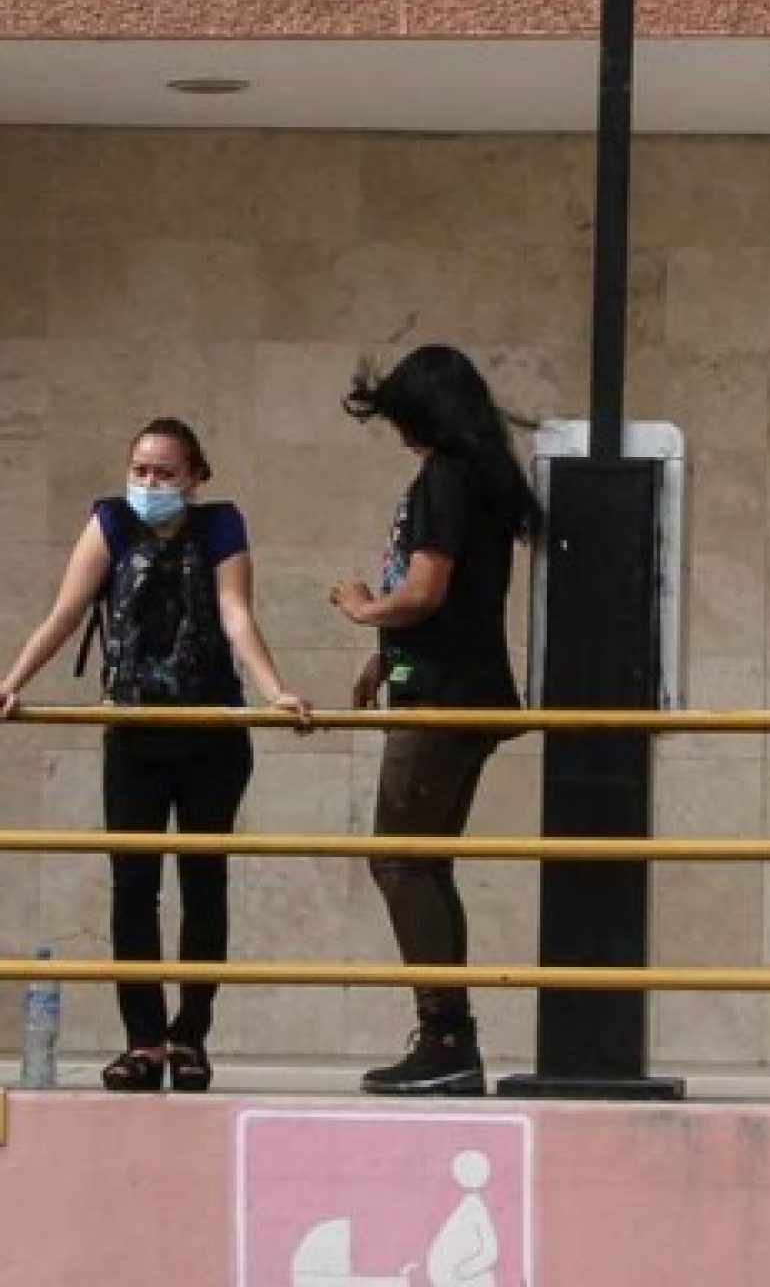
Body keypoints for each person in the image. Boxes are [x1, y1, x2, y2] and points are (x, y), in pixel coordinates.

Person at [0, 417, 310, 1093]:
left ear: (196, 477)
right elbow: (65, 611)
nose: (149, 483)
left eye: (165, 473)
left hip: (210, 735)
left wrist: (275, 690)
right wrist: (13, 681)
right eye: (139, 470)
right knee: (134, 887)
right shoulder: (111, 522)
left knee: (204, 883)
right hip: (134, 732)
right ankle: (142, 1040)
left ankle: (190, 1035)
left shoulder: (220, 525)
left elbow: (235, 612)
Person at [331, 345, 540, 1097]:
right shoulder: (477, 477)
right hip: (456, 686)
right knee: (423, 862)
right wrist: (385, 656)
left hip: (443, 697)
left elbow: (425, 591)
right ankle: (448, 1034)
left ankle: (446, 1034)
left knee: (399, 860)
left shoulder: (446, 479)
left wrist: (363, 610)